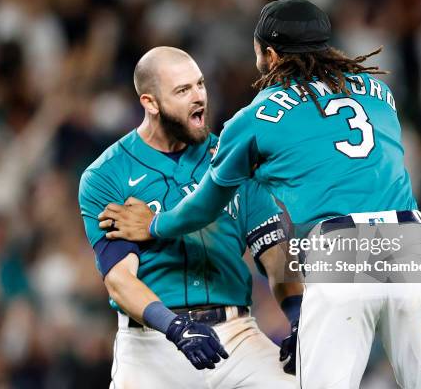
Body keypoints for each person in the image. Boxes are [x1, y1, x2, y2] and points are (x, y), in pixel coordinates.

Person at [98, 0, 421, 389]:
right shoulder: (380, 91)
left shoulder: (257, 116)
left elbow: (204, 206)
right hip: (411, 243)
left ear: (270, 54)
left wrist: (155, 223)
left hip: (341, 245)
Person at [78, 46, 302, 388]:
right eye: (182, 91)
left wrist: (298, 317)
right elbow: (120, 281)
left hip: (237, 336)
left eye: (200, 85)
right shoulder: (107, 175)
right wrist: (175, 328)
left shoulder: (232, 159)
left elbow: (273, 251)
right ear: (150, 103)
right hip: (152, 341)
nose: (198, 97)